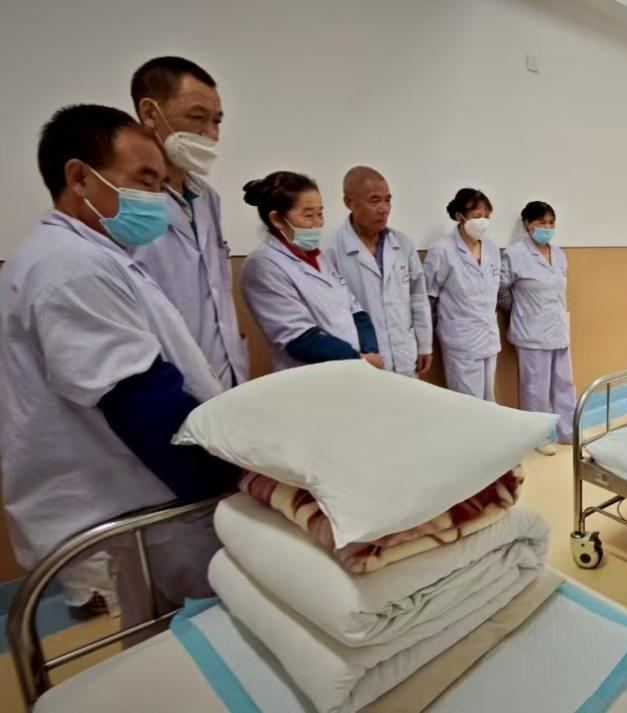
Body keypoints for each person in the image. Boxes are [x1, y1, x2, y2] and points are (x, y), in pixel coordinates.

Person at [0, 105, 239, 631]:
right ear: (80, 177)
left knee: (161, 641)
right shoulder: (69, 265)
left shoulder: (93, 255)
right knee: (199, 638)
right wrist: (234, 477)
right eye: (145, 181)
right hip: (151, 498)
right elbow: (140, 402)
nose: (156, 198)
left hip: (150, 501)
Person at [129, 57, 248, 388]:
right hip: (167, 385)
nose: (211, 134)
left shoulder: (207, 197)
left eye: (217, 121)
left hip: (225, 378)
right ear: (150, 113)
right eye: (197, 118)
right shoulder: (125, 205)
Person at [239, 172, 382, 372]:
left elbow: (356, 311)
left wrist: (370, 351)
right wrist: (358, 359)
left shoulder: (318, 257)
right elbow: (299, 337)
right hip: (313, 376)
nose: (318, 223)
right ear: (277, 219)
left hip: (355, 368)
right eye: (308, 215)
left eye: (320, 213)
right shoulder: (263, 265)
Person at [324, 166, 432, 378]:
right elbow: (330, 312)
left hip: (405, 355)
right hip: (363, 359)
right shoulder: (330, 250)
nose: (384, 209)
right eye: (374, 201)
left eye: (387, 200)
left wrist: (424, 345)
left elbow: (418, 297)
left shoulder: (402, 244)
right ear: (348, 202)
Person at [500, 201, 575, 455]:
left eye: (551, 223)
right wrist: (519, 310)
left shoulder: (559, 255)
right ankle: (537, 437)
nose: (547, 228)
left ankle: (568, 431)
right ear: (527, 224)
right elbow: (501, 290)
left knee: (565, 383)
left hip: (558, 328)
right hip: (531, 332)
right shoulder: (514, 255)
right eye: (541, 223)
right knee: (535, 388)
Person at [425, 188, 501, 401]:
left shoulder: (492, 249)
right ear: (460, 217)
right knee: (468, 404)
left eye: (487, 216)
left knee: (489, 401)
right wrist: (426, 338)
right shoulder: (442, 250)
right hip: (460, 340)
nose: (483, 221)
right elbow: (427, 298)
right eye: (477, 216)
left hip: (488, 337)